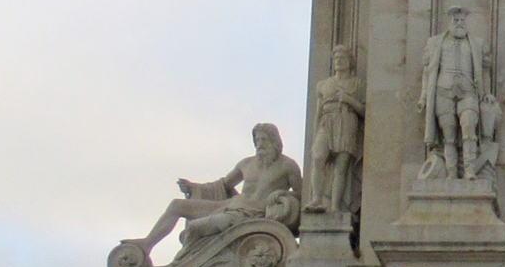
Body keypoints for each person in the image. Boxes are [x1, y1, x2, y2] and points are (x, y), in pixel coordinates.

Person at [139, 124, 304, 248]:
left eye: (264, 139)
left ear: (275, 141)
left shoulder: (287, 166)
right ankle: (145, 245)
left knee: (194, 230)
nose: (260, 144)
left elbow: (302, 195)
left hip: (251, 215)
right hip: (230, 206)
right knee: (177, 206)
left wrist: (283, 194)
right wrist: (193, 188)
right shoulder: (246, 164)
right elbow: (223, 185)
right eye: (257, 140)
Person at [419, 6, 497, 180]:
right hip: (443, 92)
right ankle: (452, 171)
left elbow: (485, 70)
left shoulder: (477, 44)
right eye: (456, 20)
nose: (459, 23)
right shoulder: (435, 43)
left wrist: (487, 92)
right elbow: (428, 71)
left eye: (462, 20)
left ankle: (469, 169)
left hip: (468, 92)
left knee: (469, 128)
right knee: (449, 136)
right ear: (450, 22)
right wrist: (424, 95)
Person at [307, 45, 365, 218]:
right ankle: (316, 198)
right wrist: (316, 131)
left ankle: (335, 205)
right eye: (336, 58)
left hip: (347, 120)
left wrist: (348, 99)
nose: (338, 61)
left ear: (350, 62)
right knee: (318, 158)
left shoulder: (357, 84)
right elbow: (318, 112)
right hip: (327, 120)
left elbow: (363, 110)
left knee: (341, 166)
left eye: (342, 58)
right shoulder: (323, 85)